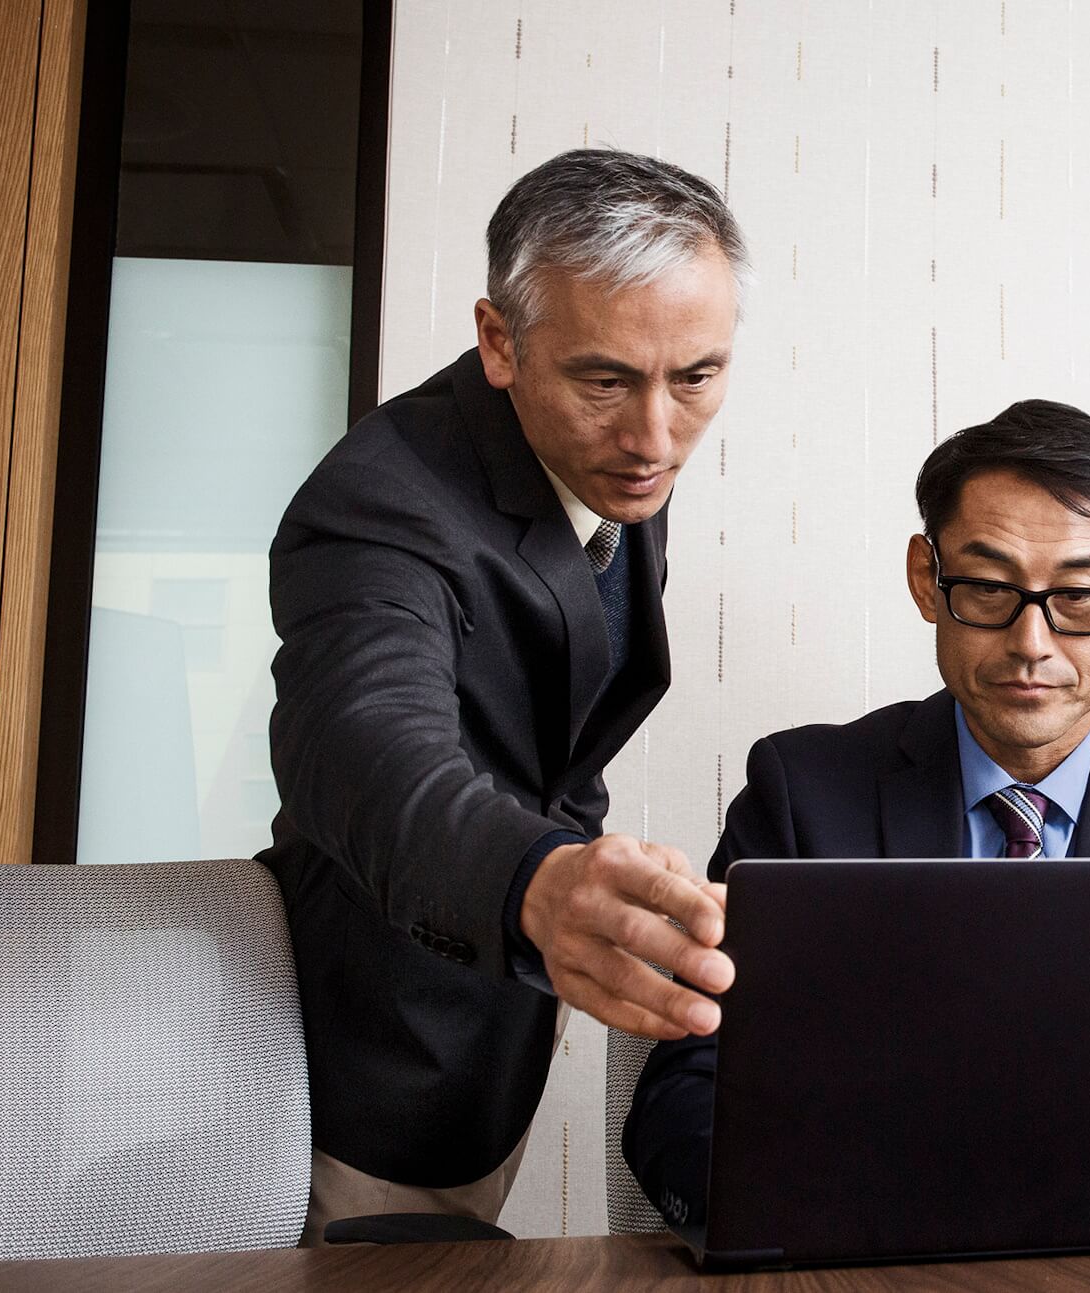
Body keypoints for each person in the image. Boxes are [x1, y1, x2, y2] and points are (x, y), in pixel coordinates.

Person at [621, 400, 1090, 1228]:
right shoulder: (804, 795)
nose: (1032, 643)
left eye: (1081, 596)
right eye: (986, 587)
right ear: (925, 579)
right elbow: (688, 1090)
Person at [261, 149, 745, 1240]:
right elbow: (358, 738)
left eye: (697, 377)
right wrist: (533, 880)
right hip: (373, 1043)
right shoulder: (377, 505)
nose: (655, 438)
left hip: (510, 1013)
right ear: (499, 341)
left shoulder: (613, 449)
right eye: (606, 380)